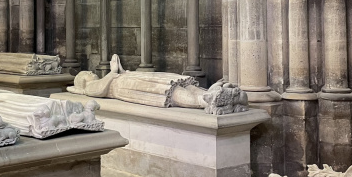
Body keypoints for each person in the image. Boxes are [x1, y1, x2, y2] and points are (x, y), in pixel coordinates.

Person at [69, 54, 248, 114]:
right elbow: (99, 90)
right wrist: (113, 72)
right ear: (84, 81)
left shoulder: (107, 78)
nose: (90, 72)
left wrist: (119, 70)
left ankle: (208, 93)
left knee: (171, 82)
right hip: (127, 86)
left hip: (131, 79)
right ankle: (204, 101)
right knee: (163, 91)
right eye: (87, 74)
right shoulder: (90, 87)